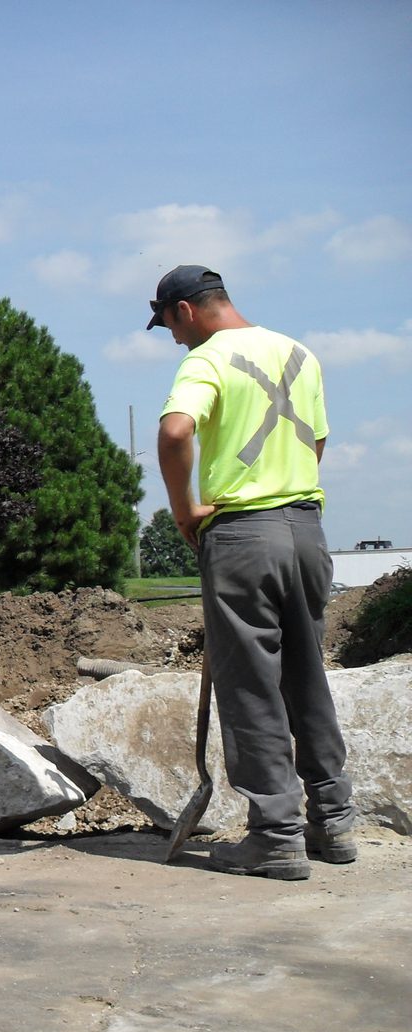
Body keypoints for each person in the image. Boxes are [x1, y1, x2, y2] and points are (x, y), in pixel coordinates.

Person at [151, 264, 356, 881]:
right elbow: (315, 443)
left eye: (166, 324)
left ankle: (275, 835)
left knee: (250, 686)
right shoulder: (300, 353)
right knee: (306, 675)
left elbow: (175, 430)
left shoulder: (207, 357)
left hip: (243, 536)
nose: (171, 337)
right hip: (306, 531)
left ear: (186, 310)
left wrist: (185, 510)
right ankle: (334, 821)